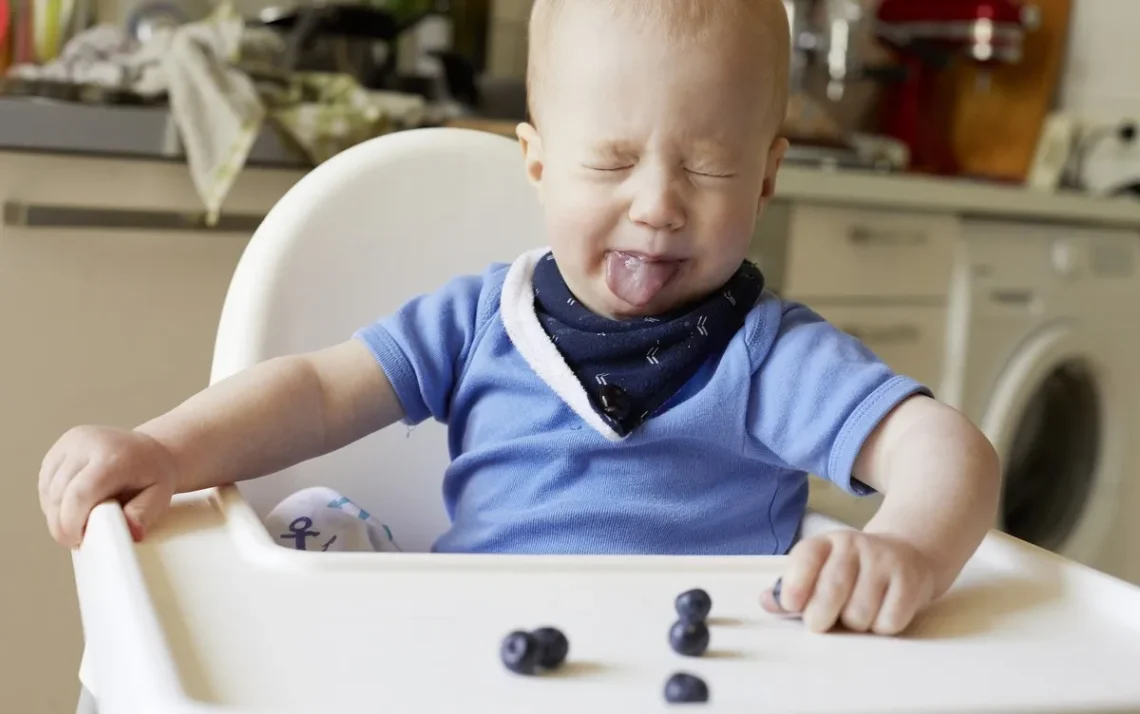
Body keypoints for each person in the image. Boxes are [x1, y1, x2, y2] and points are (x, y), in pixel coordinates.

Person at [37, 0, 999, 636]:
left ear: (768, 176)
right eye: (613, 162)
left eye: (707, 167)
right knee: (306, 526)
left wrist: (905, 547)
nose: (659, 204)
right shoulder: (477, 323)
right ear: (536, 165)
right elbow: (316, 391)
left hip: (706, 669)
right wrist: (163, 450)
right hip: (475, 662)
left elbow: (944, 449)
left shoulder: (771, 356)